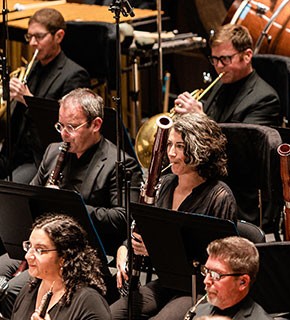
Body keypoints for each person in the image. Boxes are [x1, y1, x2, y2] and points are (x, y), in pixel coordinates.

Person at [0, 88, 142, 318]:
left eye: (71, 127)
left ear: (95, 124)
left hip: (82, 255)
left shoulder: (119, 164)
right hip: (43, 246)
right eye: (60, 126)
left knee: (14, 290)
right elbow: (31, 198)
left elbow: (124, 219)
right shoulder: (52, 152)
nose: (63, 135)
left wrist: (68, 204)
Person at [111, 112, 237, 320]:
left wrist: (157, 249)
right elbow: (145, 229)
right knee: (110, 315)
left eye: (180, 146)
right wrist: (125, 247)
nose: (170, 153)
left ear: (200, 149)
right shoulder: (165, 184)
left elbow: (220, 262)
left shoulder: (219, 196)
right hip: (166, 282)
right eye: (169, 144)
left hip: (199, 288)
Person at [0, 8, 90, 183]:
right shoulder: (31, 69)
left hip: (41, 157)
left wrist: (28, 100)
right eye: (29, 37)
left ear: (59, 36)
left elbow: (65, 127)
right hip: (12, 152)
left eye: (39, 37)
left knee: (7, 190)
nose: (32, 43)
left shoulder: (75, 75)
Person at [174, 24, 281, 126]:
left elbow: (241, 143)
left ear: (247, 56)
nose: (219, 66)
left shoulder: (265, 100)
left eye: (225, 58)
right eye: (214, 59)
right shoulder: (222, 82)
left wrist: (200, 118)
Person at [10, 213, 111, 320]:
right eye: (29, 246)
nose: (28, 256)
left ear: (63, 257)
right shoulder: (29, 289)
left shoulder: (89, 302)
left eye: (39, 250)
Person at [192, 236, 272, 320]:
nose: (206, 281)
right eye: (206, 270)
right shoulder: (198, 311)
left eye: (216, 275)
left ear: (242, 282)